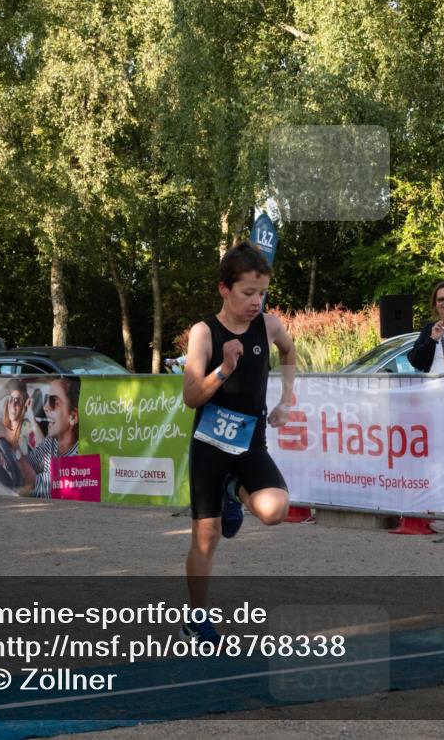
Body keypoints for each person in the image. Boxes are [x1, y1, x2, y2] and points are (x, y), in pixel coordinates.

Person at [180, 242, 296, 642]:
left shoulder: (269, 325)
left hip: (249, 444)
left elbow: (289, 350)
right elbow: (192, 397)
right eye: (248, 292)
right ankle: (197, 618)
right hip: (210, 448)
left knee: (276, 509)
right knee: (207, 537)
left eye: (262, 293)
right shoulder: (203, 333)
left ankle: (235, 491)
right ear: (224, 290)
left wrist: (288, 397)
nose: (256, 302)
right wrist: (224, 369)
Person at [25, 376, 80, 499]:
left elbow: (31, 485)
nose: (45, 407)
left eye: (53, 402)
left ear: (73, 417)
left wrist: (11, 444)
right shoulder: (52, 443)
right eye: (46, 400)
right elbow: (29, 463)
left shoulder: (79, 455)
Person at [0, 379, 37, 492]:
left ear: (25, 406)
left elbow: (40, 447)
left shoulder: (28, 429)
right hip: (3, 479)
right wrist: (4, 390)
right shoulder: (1, 422)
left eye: (18, 401)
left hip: (21, 480)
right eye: (11, 400)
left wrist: (31, 415)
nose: (13, 404)